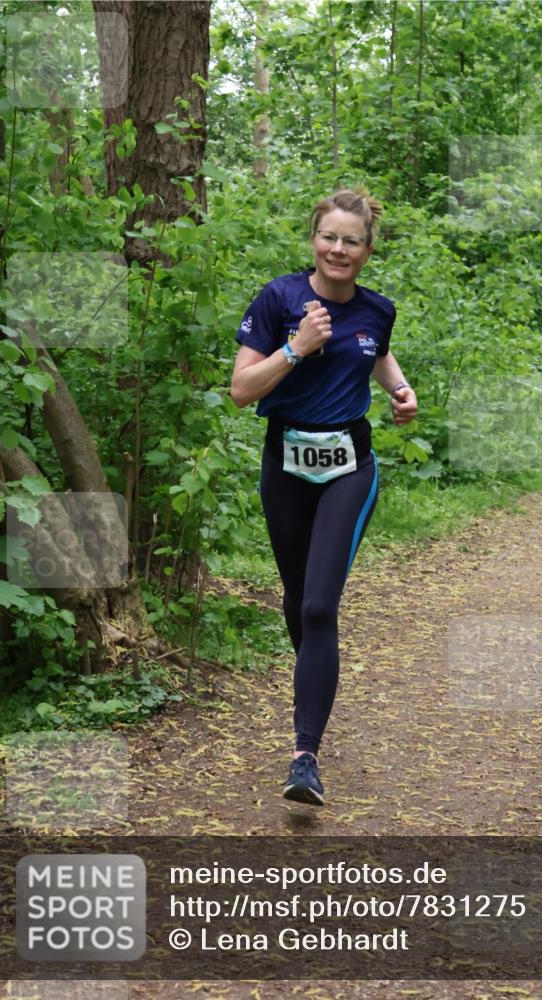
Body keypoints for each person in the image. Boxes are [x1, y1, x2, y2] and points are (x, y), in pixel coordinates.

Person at [231, 189, 417, 805]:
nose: (339, 249)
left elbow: (376, 354)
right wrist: (294, 348)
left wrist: (401, 389)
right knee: (296, 603)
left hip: (349, 467)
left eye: (352, 241)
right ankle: (314, 678)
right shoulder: (279, 298)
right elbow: (240, 389)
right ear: (314, 239)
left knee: (317, 607)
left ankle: (304, 755)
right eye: (329, 237)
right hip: (284, 462)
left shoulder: (377, 310)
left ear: (368, 250)